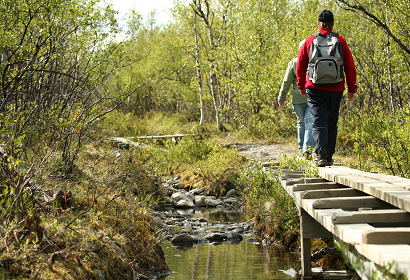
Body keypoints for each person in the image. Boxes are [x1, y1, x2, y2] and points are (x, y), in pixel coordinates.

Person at [296, 9, 357, 167]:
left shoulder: (310, 40)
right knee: (331, 121)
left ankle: (321, 155)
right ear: (333, 24)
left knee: (318, 120)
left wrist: (301, 85)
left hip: (314, 87)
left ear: (319, 23)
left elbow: (300, 65)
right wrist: (352, 88)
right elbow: (350, 66)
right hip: (336, 88)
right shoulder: (340, 41)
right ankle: (329, 156)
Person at [278, 40, 313, 159]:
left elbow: (286, 81)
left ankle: (301, 149)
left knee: (301, 123)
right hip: (312, 96)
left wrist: (282, 96)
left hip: (297, 98)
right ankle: (307, 149)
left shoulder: (293, 63)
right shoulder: (313, 62)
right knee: (309, 122)